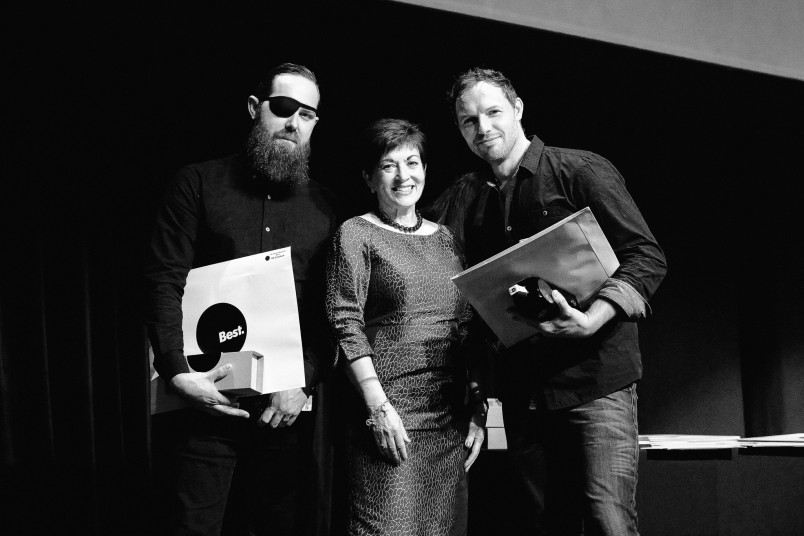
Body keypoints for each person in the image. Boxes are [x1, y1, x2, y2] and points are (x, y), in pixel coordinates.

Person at [429, 68, 667, 535]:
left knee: (608, 520)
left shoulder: (578, 170)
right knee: (541, 525)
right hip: (524, 395)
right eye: (468, 121)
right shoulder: (465, 197)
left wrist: (593, 319)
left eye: (493, 112)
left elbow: (646, 255)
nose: (483, 129)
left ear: (518, 109)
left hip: (595, 382)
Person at [144, 62, 337, 536]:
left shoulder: (327, 207)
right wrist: (177, 372)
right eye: (284, 107)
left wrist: (304, 380)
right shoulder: (197, 183)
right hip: (202, 405)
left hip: (283, 411)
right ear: (256, 108)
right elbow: (163, 280)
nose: (294, 123)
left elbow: (333, 308)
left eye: (307, 114)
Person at [325, 118, 487, 536]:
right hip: (389, 418)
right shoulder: (355, 233)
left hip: (449, 421)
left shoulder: (446, 239)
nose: (404, 175)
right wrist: (378, 409)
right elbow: (345, 324)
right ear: (368, 177)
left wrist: (478, 410)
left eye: (412, 162)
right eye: (389, 165)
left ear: (425, 170)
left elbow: (466, 328)